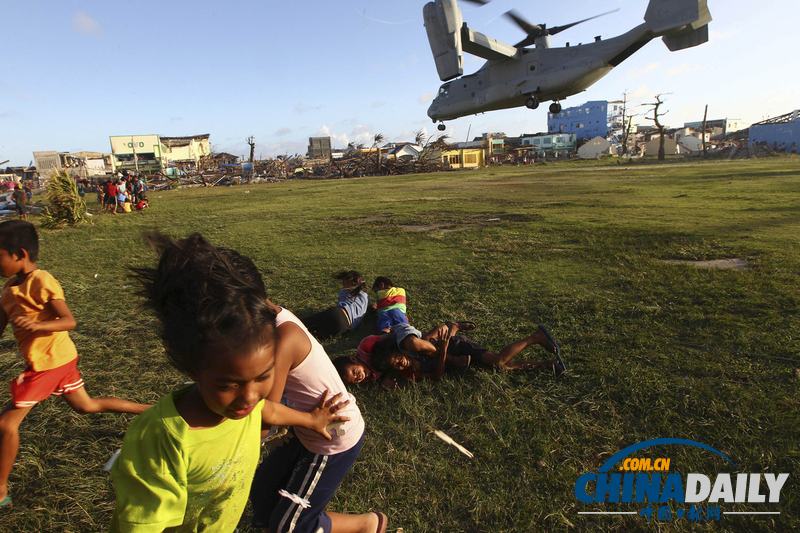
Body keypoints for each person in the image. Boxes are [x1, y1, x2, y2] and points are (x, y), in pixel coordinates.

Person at [109, 233, 350, 532]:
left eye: (264, 377)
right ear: (191, 368)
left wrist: (310, 419)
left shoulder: (242, 406)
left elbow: (268, 411)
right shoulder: (162, 438)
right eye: (228, 385)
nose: (250, 396)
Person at [230, 253, 388, 533]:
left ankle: (369, 524)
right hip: (306, 429)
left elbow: (266, 420)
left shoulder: (282, 338)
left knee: (290, 526)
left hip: (331, 437)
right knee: (263, 493)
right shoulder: (274, 318)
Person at [0, 220, 150, 508]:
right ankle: (152, 411)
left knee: (6, 424)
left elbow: (69, 321)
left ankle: (0, 490)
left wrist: (34, 325)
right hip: (56, 360)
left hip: (49, 364)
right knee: (86, 406)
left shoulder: (41, 281)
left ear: (19, 254)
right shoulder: (8, 291)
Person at [337, 322, 566, 389]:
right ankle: (548, 364)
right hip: (444, 351)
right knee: (503, 368)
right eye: (355, 380)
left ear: (354, 360)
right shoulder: (395, 371)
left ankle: (536, 337)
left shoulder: (368, 347)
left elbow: (392, 337)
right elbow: (435, 377)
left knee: (497, 361)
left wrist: (444, 349)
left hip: (454, 346)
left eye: (355, 373)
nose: (359, 378)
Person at [302, 271, 370, 339]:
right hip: (344, 327)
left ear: (352, 284)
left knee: (304, 323)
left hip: (338, 313)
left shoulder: (345, 292)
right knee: (311, 336)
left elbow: (341, 301)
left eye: (344, 284)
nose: (343, 287)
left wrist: (345, 290)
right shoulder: (366, 297)